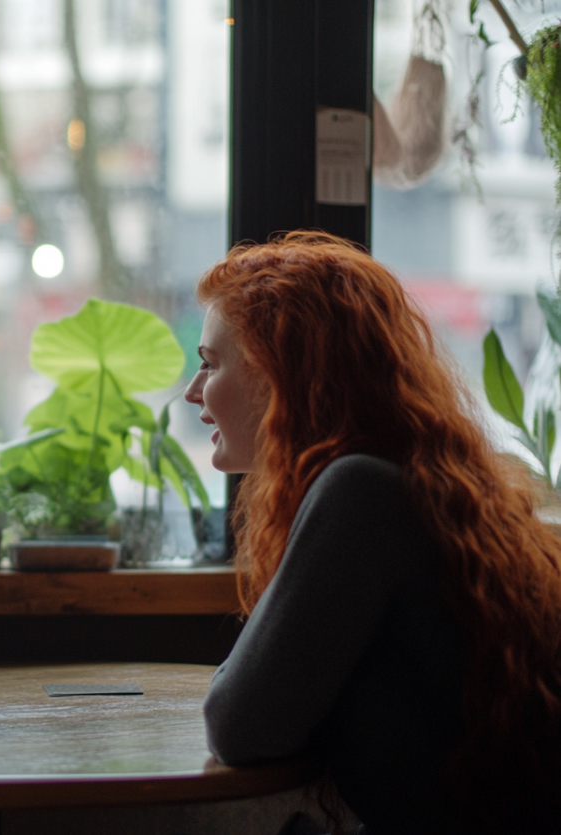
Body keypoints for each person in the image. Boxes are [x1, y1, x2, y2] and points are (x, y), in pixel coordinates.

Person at [183, 232, 561, 834]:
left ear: (280, 373)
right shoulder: (405, 482)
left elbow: (240, 725)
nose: (193, 391)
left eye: (210, 363)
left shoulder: (360, 493)